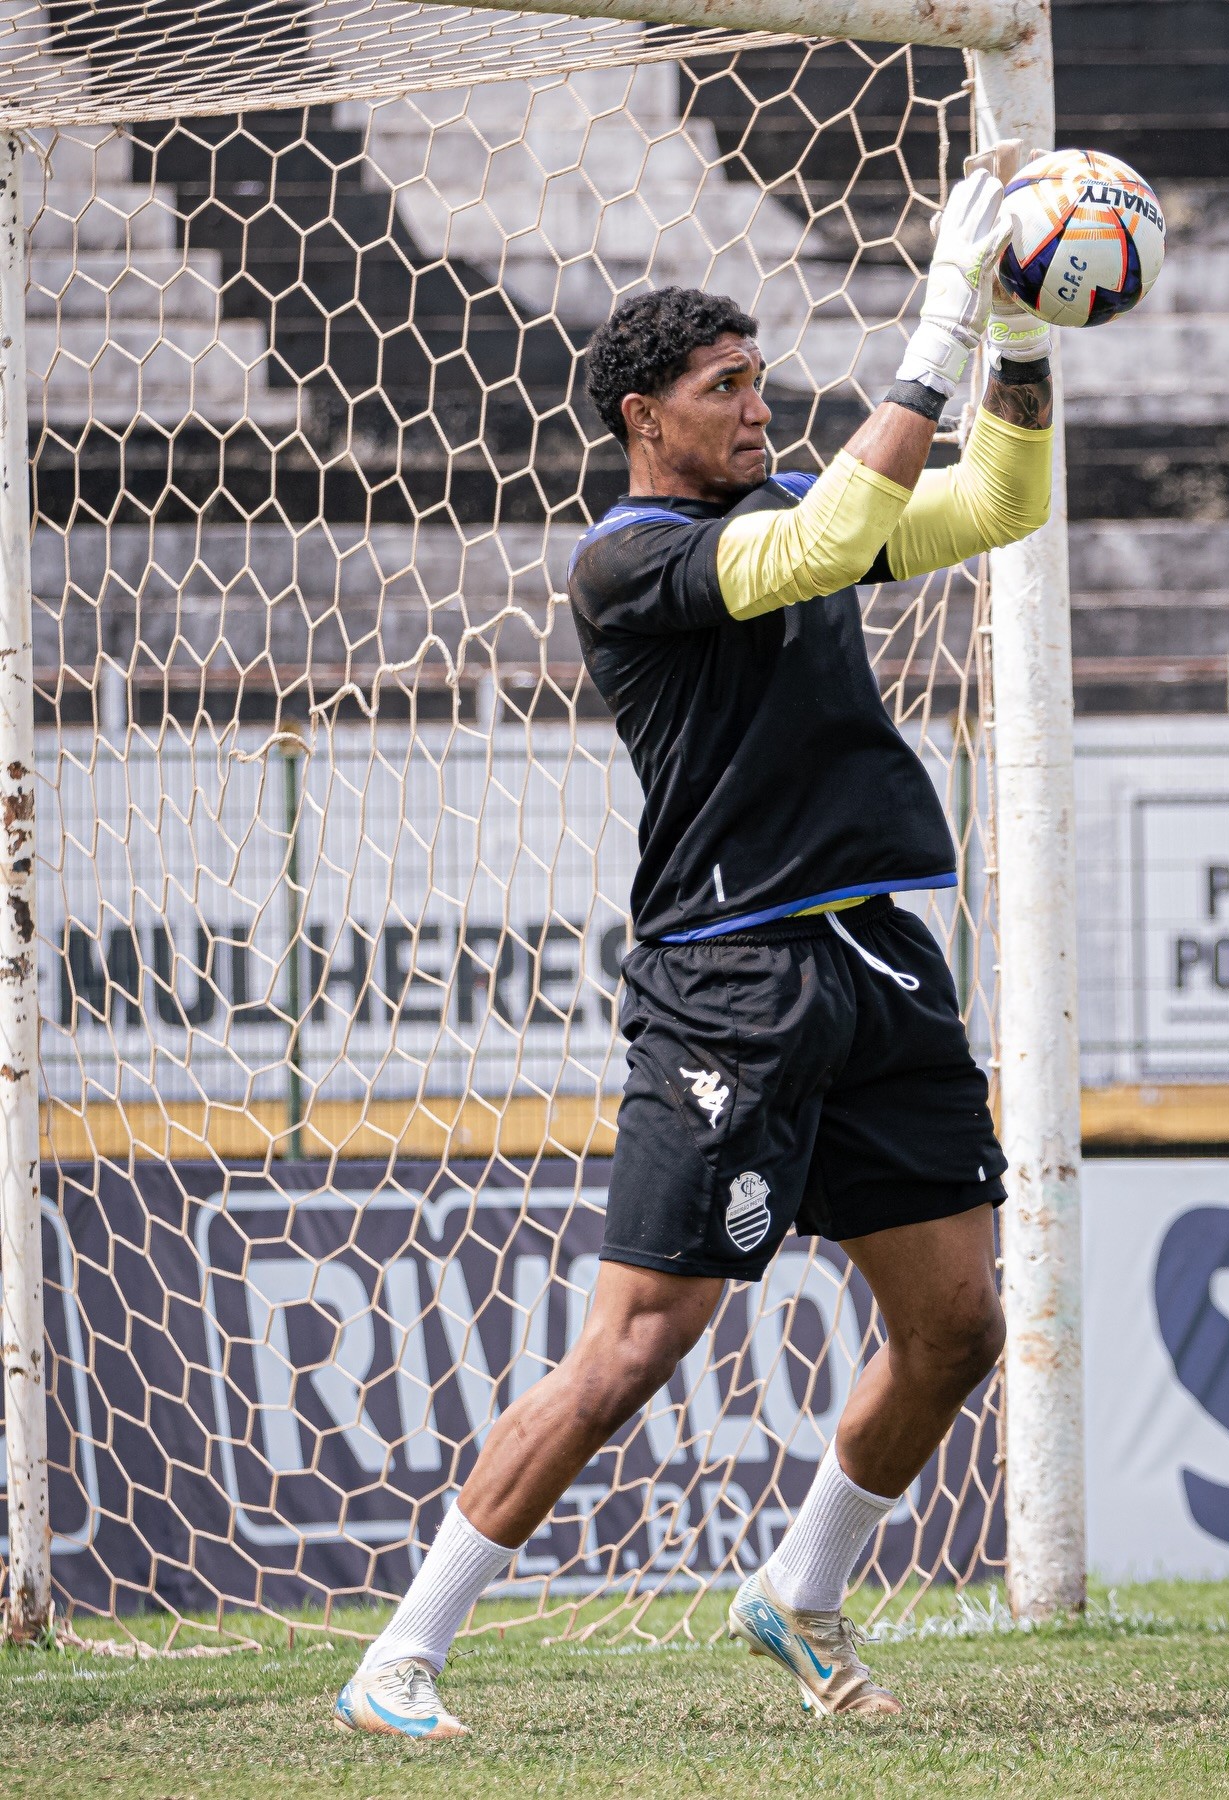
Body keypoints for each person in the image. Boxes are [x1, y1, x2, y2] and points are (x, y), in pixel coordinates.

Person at [335, 158, 1053, 1739]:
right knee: (639, 1349)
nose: (755, 409)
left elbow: (1005, 503)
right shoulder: (634, 562)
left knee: (958, 1328)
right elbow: (810, 553)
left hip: (873, 967)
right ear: (644, 415)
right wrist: (939, 315)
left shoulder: (800, 512)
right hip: (728, 980)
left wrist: (1024, 334)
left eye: (757, 380)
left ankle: (797, 1595)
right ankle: (401, 1654)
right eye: (726, 389)